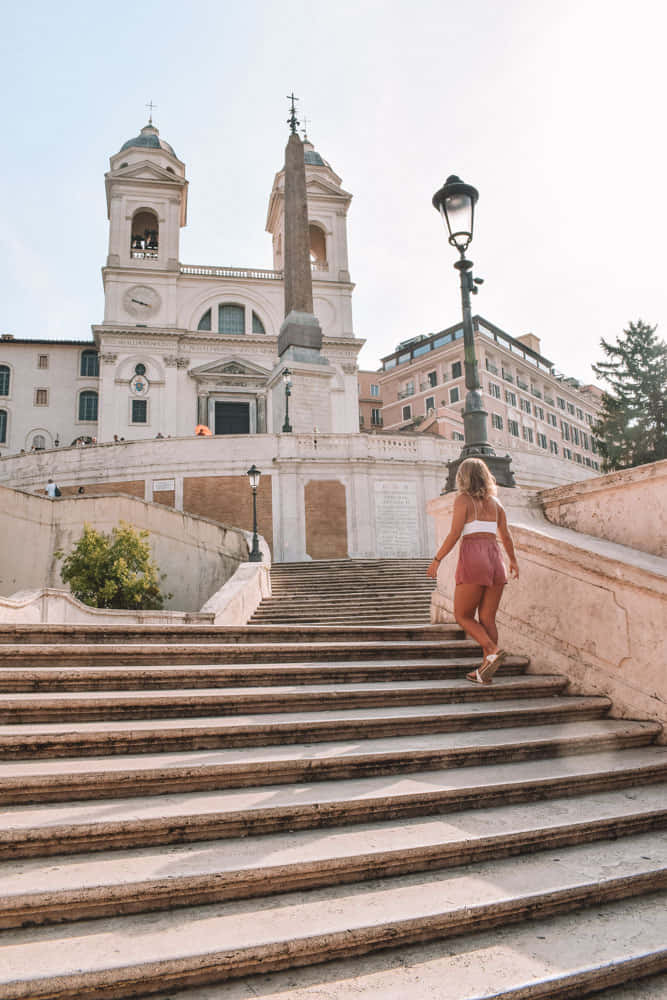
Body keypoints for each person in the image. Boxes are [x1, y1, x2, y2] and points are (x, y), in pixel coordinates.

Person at [427, 457, 519, 684]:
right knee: (487, 618)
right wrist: (513, 561)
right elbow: (505, 536)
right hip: (495, 559)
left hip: (474, 558)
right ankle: (484, 670)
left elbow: (454, 533)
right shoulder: (497, 503)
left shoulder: (463, 500)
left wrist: (437, 559)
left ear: (463, 477)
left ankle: (492, 650)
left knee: (462, 615)